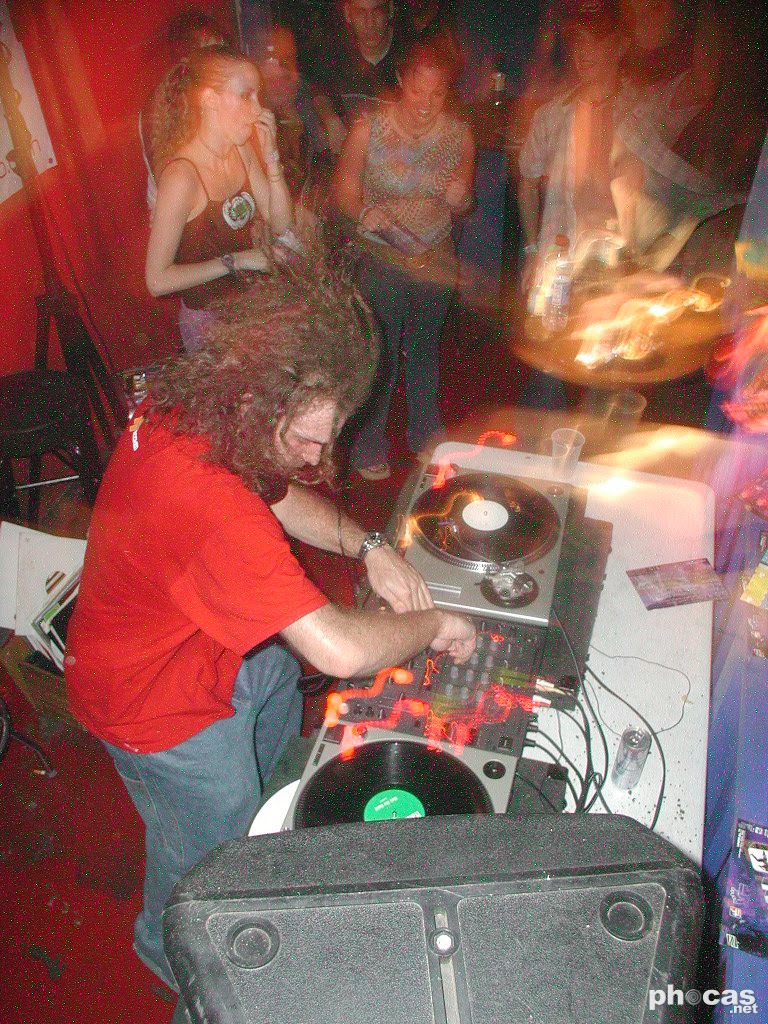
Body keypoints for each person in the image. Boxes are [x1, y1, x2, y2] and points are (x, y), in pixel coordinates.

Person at [64, 255, 477, 992]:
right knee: (204, 852)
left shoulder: (206, 409)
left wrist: (372, 546)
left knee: (274, 703)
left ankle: (257, 844)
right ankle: (169, 957)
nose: (321, 457)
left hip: (211, 648)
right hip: (158, 711)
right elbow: (339, 649)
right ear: (262, 399)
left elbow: (277, 495)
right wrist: (434, 623)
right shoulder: (210, 507)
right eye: (310, 439)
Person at [333, 40, 474, 479]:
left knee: (425, 348)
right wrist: (363, 213)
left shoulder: (459, 135)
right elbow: (343, 190)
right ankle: (368, 441)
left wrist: (461, 198)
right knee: (381, 351)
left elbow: (464, 203)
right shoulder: (368, 129)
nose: (426, 104)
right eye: (417, 91)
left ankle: (426, 433)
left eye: (437, 93)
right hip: (381, 255)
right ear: (400, 81)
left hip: (434, 255)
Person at [145, 45, 294, 353]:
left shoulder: (240, 149)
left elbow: (281, 224)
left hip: (251, 309)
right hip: (209, 325)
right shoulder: (182, 176)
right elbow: (157, 281)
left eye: (258, 96)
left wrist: (272, 159)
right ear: (209, 100)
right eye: (246, 96)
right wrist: (236, 261)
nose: (258, 110)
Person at [308, 0, 414, 156]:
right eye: (360, 13)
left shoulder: (411, 54)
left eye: (377, 12)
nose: (369, 23)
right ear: (347, 14)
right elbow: (316, 90)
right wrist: (330, 120)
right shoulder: (334, 51)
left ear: (390, 10)